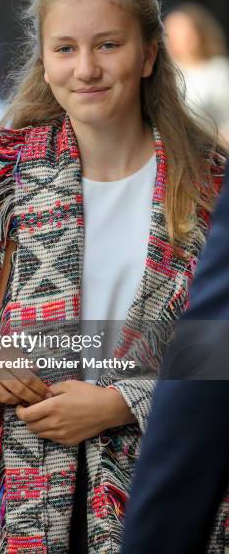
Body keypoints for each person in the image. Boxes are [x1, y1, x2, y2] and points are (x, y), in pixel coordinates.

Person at [0, 0, 226, 553]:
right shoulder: (5, 173)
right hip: (11, 502)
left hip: (162, 500)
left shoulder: (208, 185)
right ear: (44, 61)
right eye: (66, 48)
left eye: (108, 45)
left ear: (149, 53)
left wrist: (121, 401)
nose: (87, 69)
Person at [120, 161, 229, 554]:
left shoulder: (204, 177)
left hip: (146, 472)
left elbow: (216, 335)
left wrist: (127, 400)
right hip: (19, 493)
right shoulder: (3, 168)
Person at [165, 3, 229, 141]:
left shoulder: (219, 71)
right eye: (172, 32)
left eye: (184, 31)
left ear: (199, 33)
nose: (177, 38)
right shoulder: (164, 73)